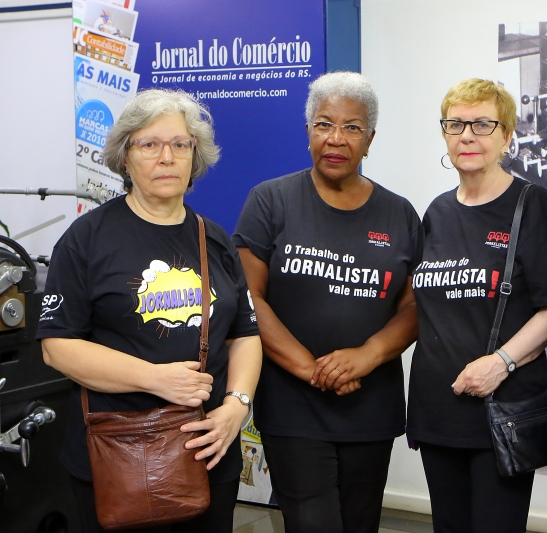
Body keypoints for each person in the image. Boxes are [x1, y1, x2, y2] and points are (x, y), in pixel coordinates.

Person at [38, 88, 262, 533]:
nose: (167, 157)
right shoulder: (87, 240)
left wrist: (237, 406)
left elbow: (245, 334)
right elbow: (57, 347)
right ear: (125, 157)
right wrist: (157, 378)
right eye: (150, 144)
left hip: (206, 456)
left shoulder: (214, 238)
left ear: (194, 156)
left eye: (181, 144)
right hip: (115, 461)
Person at [232, 71, 421, 533]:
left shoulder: (399, 213)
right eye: (324, 124)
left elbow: (414, 308)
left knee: (360, 524)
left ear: (370, 138)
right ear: (308, 132)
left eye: (352, 127)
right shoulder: (270, 200)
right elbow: (247, 297)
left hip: (369, 407)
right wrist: (306, 366)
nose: (336, 139)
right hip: (293, 405)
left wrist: (367, 355)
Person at [406, 78, 547, 533]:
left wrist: (501, 363)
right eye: (456, 124)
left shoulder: (531, 205)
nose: (467, 135)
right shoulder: (437, 211)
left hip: (501, 413)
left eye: (482, 124)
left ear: (506, 136)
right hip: (437, 409)